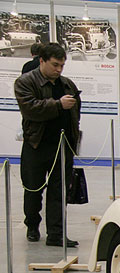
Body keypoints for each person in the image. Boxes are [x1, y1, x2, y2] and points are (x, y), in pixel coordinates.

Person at [14, 43, 81, 247]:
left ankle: (56, 234)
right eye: (55, 65)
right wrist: (58, 104)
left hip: (62, 147)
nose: (59, 69)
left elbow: (75, 114)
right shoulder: (25, 82)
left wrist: (73, 140)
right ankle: (32, 226)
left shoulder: (67, 83)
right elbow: (30, 109)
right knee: (33, 189)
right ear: (41, 61)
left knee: (59, 192)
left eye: (62, 65)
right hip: (36, 145)